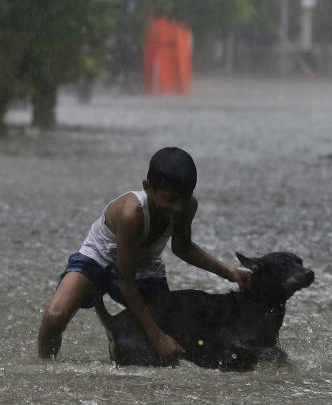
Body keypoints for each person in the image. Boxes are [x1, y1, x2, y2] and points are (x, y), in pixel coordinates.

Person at [37, 147, 252, 360]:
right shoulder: (133, 214)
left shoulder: (187, 207)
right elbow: (126, 282)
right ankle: (45, 367)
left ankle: (119, 335)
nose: (177, 208)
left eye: (183, 199)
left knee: (170, 335)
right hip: (98, 258)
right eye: (169, 199)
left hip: (145, 266)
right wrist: (158, 339)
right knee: (55, 316)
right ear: (148, 187)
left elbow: (182, 247)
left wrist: (230, 273)